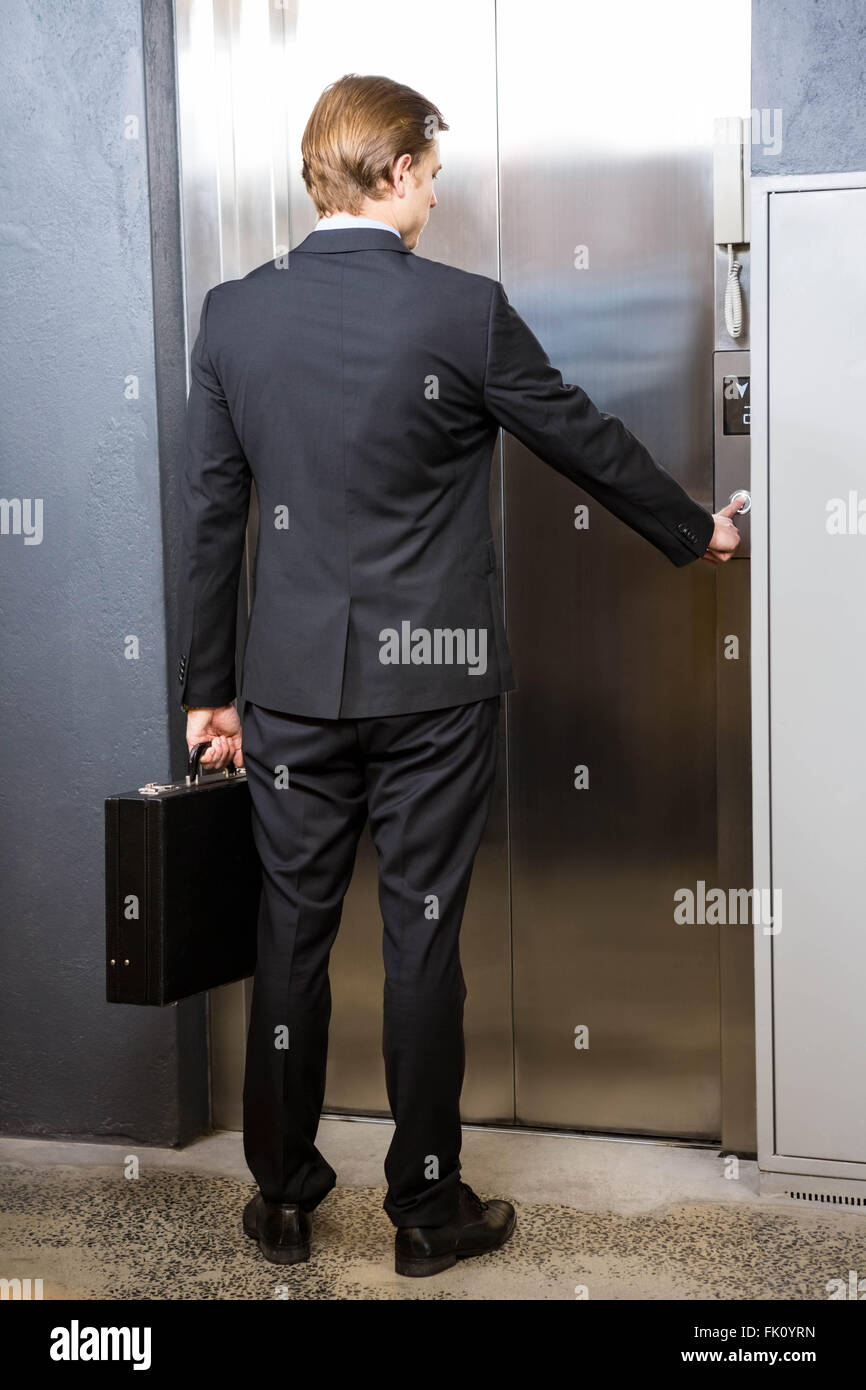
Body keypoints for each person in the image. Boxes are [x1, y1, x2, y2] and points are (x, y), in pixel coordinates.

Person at [177, 73, 741, 1279]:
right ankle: (425, 1212)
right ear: (393, 173)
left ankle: (281, 1198)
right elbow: (575, 433)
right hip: (432, 693)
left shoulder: (231, 316)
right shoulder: (461, 311)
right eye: (430, 175)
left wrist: (206, 692)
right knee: (422, 939)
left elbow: (214, 515)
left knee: (290, 935)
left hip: (287, 692)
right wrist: (692, 528)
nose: (435, 196)